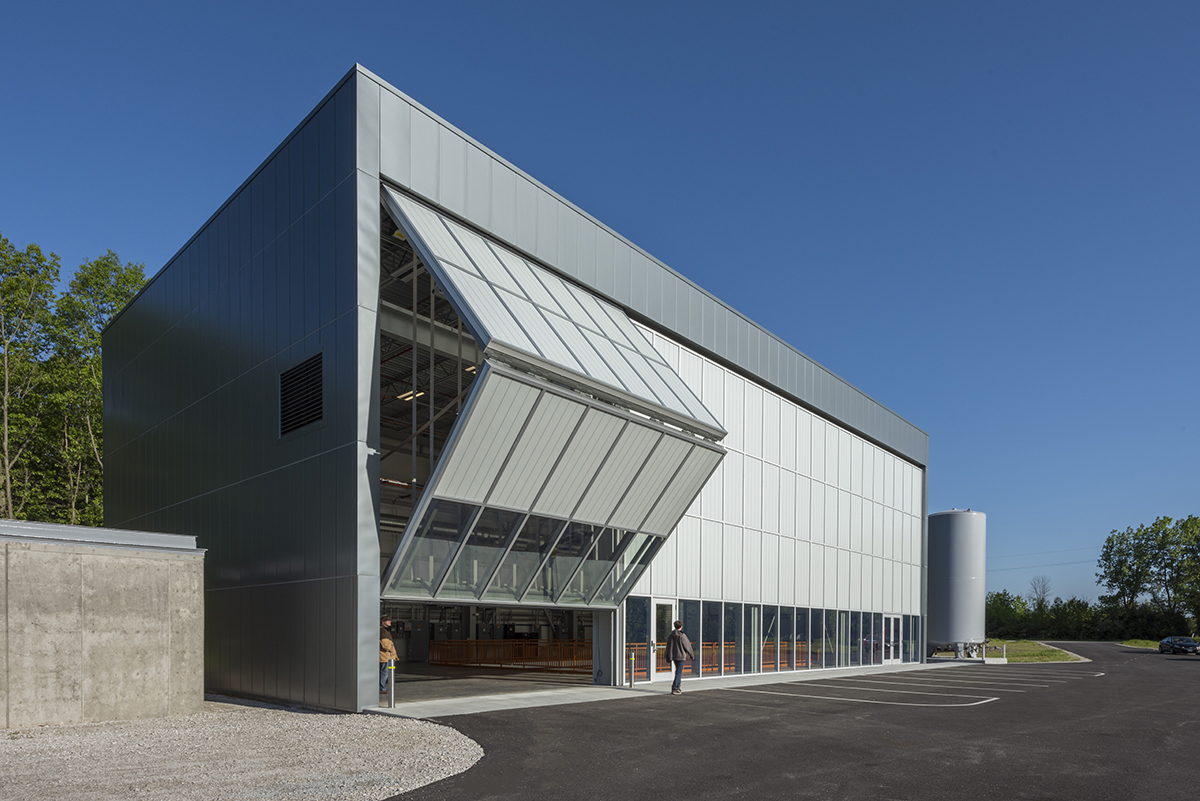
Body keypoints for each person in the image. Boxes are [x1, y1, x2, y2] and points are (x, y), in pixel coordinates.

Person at [664, 619, 694, 695]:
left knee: (677, 672)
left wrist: (667, 656)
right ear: (681, 626)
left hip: (673, 656)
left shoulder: (671, 635)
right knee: (678, 672)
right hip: (680, 656)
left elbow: (668, 646)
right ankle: (675, 687)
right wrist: (691, 655)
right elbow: (687, 646)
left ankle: (678, 686)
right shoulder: (682, 636)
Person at [380, 615, 398, 694]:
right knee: (384, 673)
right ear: (383, 622)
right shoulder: (383, 630)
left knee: (384, 672)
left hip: (386, 655)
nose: (390, 621)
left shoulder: (385, 630)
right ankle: (382, 688)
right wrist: (391, 649)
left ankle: (382, 687)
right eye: (388, 620)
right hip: (385, 656)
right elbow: (385, 645)